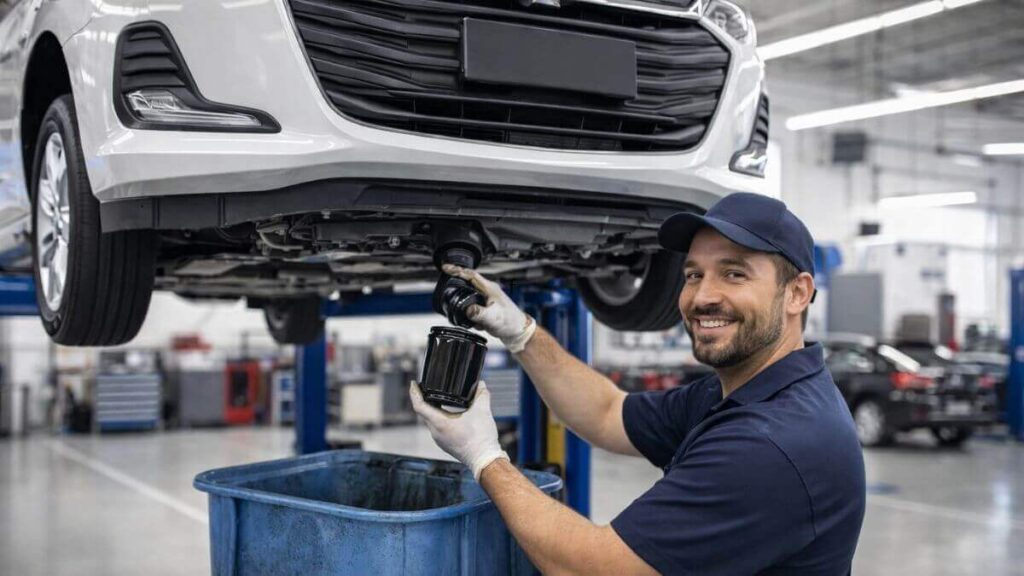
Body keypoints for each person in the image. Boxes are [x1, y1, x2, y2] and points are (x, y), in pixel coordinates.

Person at [410, 192, 866, 575]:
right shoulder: (744, 390)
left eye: (734, 273)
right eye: (693, 275)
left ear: (798, 293)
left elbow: (592, 570)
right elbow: (608, 413)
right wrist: (521, 331)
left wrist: (484, 456)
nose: (703, 296)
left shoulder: (771, 443)